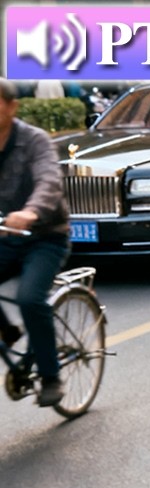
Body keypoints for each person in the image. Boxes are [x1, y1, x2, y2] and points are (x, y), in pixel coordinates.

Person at [0, 79, 70, 407]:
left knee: (30, 298)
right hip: (6, 236)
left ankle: (51, 376)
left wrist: (30, 212)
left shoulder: (34, 141)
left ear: (12, 107)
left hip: (45, 236)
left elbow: (49, 180)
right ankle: (8, 331)